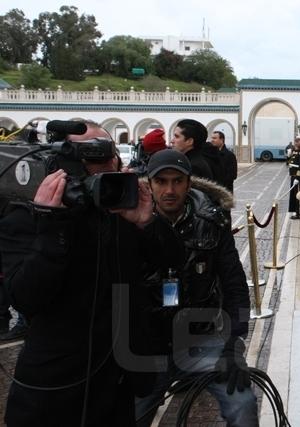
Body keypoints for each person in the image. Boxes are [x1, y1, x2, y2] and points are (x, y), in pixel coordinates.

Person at [0, 121, 180, 426]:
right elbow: (26, 297)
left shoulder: (122, 207)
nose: (108, 164)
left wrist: (147, 223)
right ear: (62, 163)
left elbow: (173, 259)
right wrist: (52, 224)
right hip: (55, 385)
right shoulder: (29, 215)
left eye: (111, 154)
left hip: (119, 378)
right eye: (94, 156)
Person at [134, 150, 258, 427]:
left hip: (202, 338)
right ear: (149, 184)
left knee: (243, 406)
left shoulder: (211, 221)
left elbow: (234, 284)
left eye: (177, 181)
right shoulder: (132, 223)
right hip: (148, 345)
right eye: (161, 182)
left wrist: (233, 345)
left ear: (189, 183)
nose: (169, 190)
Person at [287, 136, 300, 219]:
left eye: (298, 141)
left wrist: (298, 177)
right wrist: (288, 155)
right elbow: (290, 162)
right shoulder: (295, 151)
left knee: (298, 195)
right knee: (294, 196)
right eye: (295, 141)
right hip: (293, 176)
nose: (296, 143)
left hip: (297, 178)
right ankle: (296, 211)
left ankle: (299, 213)